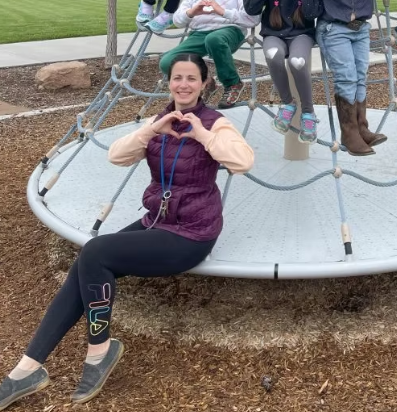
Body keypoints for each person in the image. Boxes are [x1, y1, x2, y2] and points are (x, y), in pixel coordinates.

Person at [0, 53, 254, 409]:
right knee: (87, 262)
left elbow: (243, 161)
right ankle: (27, 369)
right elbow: (117, 156)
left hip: (192, 233)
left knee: (95, 252)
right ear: (169, 82)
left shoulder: (215, 123)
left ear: (204, 84)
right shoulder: (160, 121)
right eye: (177, 77)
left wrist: (202, 134)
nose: (183, 85)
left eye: (191, 78)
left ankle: (98, 351)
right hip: (158, 221)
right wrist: (151, 130)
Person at [305, 0, 394, 156]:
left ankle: (361, 127)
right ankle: (349, 133)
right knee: (346, 77)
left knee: (360, 76)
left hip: (360, 28)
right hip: (334, 29)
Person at [243, 0, 322, 142]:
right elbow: (250, 8)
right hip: (274, 34)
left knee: (297, 62)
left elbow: (313, 12)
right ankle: (288, 103)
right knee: (272, 55)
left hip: (301, 34)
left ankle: (308, 112)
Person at [160, 0, 259, 109]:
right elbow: (177, 20)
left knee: (214, 39)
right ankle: (206, 80)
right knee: (167, 62)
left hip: (229, 31)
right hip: (199, 33)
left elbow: (253, 19)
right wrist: (192, 12)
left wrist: (223, 11)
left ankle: (232, 83)